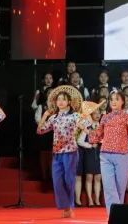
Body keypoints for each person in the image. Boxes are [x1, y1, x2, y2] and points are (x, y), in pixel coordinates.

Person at [83, 90, 128, 215]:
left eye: (117, 99)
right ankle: (113, 215)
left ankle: (117, 215)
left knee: (120, 188)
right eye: (111, 99)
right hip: (105, 155)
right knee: (109, 187)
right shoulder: (105, 117)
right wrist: (86, 129)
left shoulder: (127, 117)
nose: (113, 102)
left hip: (122, 155)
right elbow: (96, 136)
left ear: (122, 101)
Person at [36, 89, 83, 218]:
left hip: (70, 152)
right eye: (58, 99)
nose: (60, 102)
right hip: (57, 153)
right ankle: (65, 207)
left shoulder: (75, 116)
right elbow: (40, 130)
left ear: (69, 102)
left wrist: (84, 121)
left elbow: (87, 126)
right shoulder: (54, 118)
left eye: (63, 99)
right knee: (57, 181)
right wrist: (45, 115)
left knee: (69, 180)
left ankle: (69, 207)